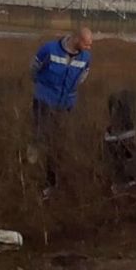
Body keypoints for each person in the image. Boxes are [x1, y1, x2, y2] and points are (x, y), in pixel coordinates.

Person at [30, 27, 93, 190]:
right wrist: (43, 87)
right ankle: (31, 162)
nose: (88, 48)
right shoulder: (49, 49)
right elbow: (34, 69)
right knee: (41, 134)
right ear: (77, 39)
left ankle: (51, 182)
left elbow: (82, 78)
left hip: (65, 105)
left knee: (57, 144)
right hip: (44, 100)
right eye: (86, 44)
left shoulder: (86, 58)